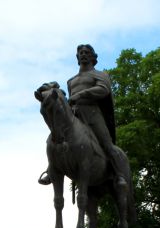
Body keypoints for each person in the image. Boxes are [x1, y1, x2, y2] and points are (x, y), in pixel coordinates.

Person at [38, 44, 128, 187]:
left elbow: (103, 89)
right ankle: (51, 170)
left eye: (86, 52)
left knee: (108, 145)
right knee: (55, 139)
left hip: (92, 115)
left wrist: (80, 95)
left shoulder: (100, 75)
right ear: (77, 57)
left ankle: (119, 175)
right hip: (75, 115)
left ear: (93, 57)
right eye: (80, 52)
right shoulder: (71, 81)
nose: (83, 54)